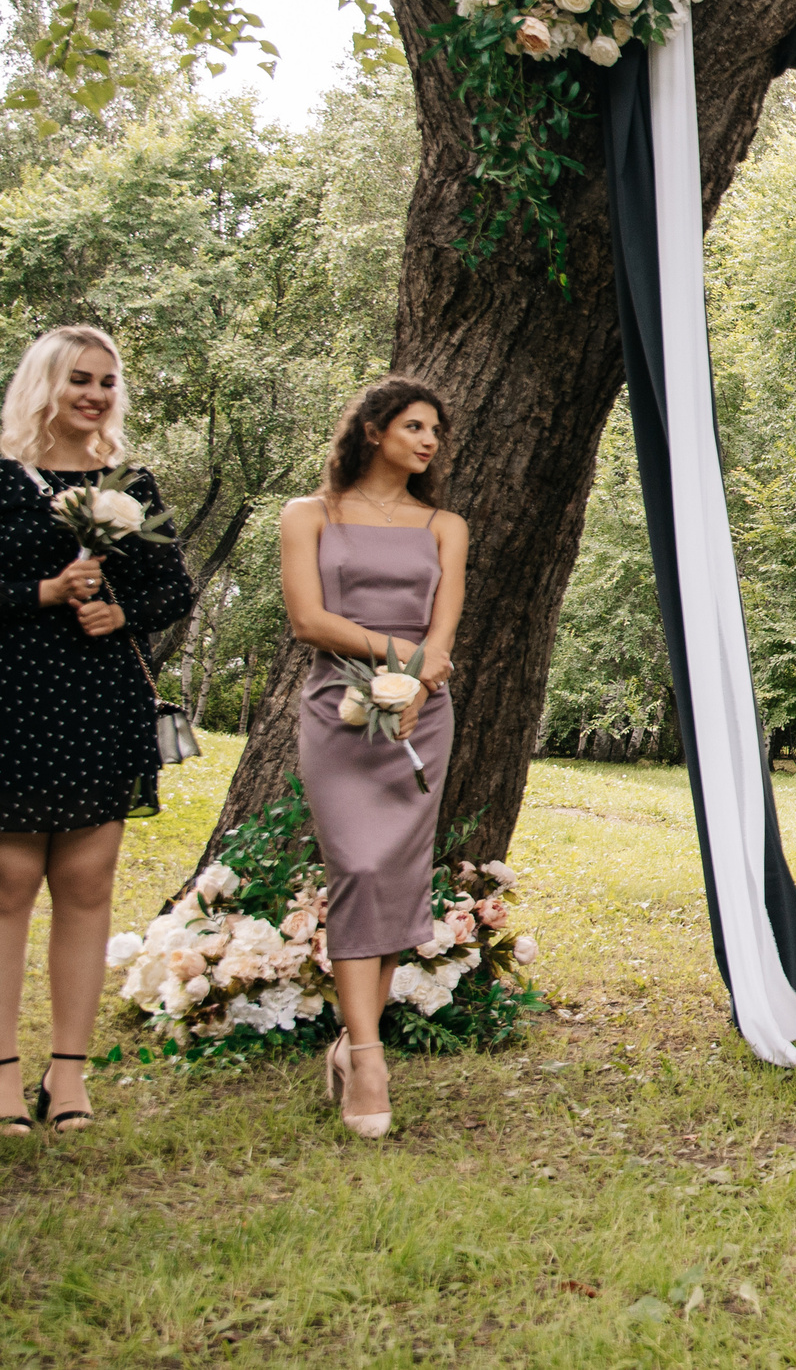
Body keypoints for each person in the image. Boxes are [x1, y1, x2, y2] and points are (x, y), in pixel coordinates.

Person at [0, 326, 196, 1135]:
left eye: (107, 382)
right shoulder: (3, 479)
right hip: (14, 699)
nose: (95, 393)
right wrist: (43, 591)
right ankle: (3, 1080)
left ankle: (68, 1077)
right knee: (8, 887)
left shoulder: (131, 483)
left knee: (87, 887)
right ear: (45, 383)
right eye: (79, 378)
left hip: (97, 699)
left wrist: (123, 610)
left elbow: (173, 588)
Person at [280, 378, 467, 1138]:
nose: (428, 441)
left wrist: (421, 680)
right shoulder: (308, 514)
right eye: (413, 426)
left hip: (421, 716)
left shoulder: (444, 525)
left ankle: (358, 1047)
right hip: (340, 710)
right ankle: (368, 1056)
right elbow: (307, 618)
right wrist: (400, 655)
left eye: (434, 431)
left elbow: (443, 631)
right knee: (355, 868)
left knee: (393, 877)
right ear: (370, 430)